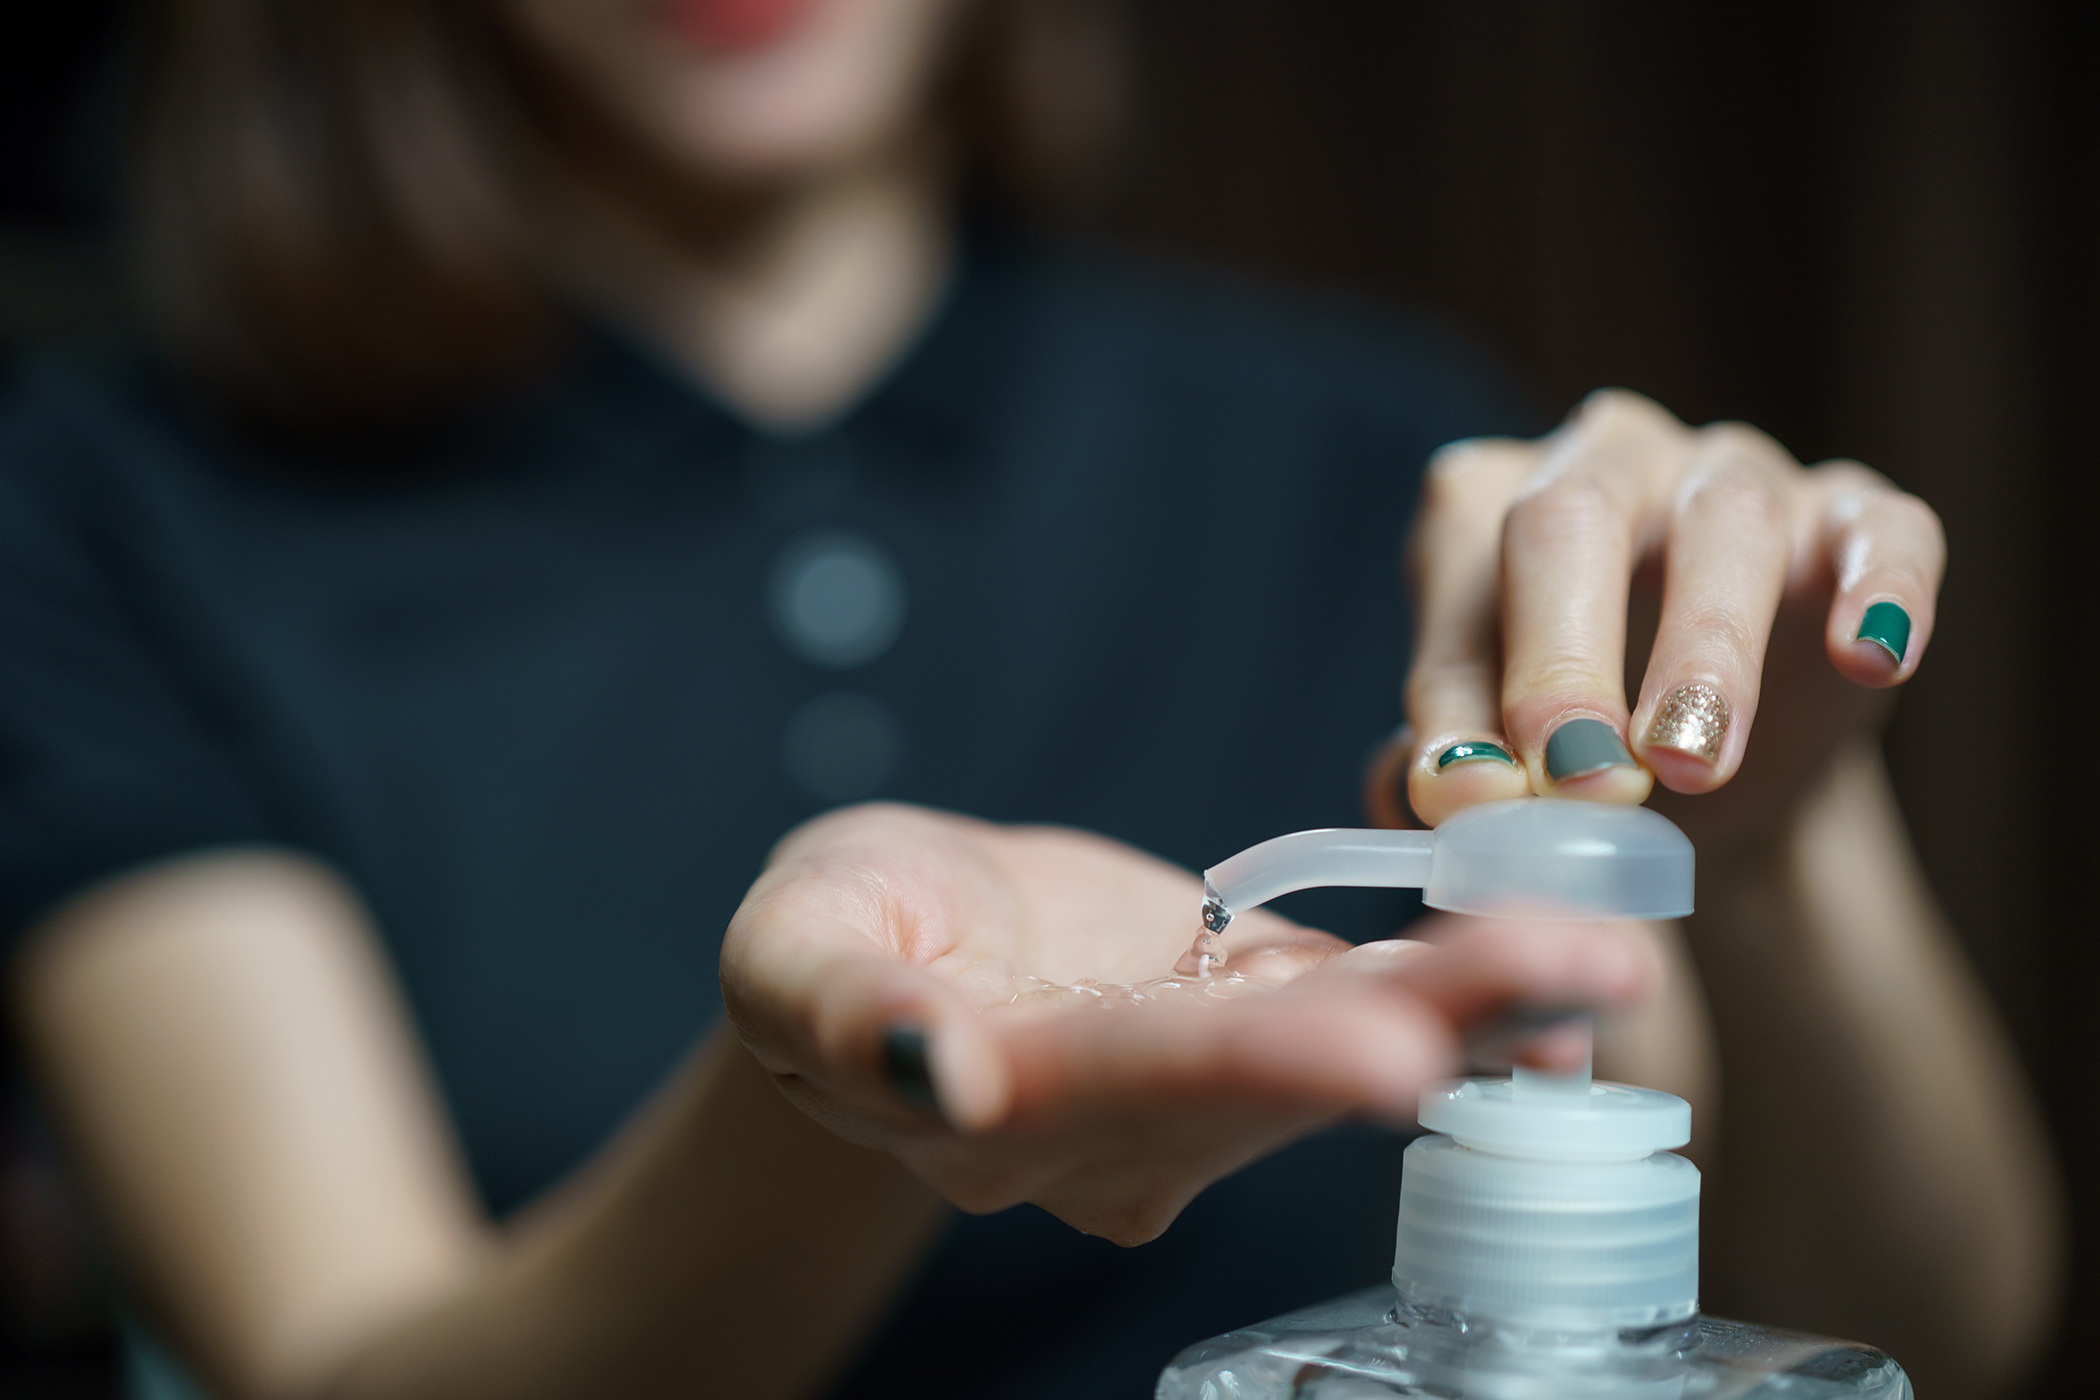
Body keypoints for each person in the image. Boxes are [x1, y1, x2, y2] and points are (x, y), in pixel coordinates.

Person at [0, 2, 2060, 1398]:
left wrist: (1778, 837)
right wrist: (852, 1107)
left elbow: (1918, 1334)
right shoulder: (112, 508)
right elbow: (333, 1354)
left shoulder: (1387, 459)